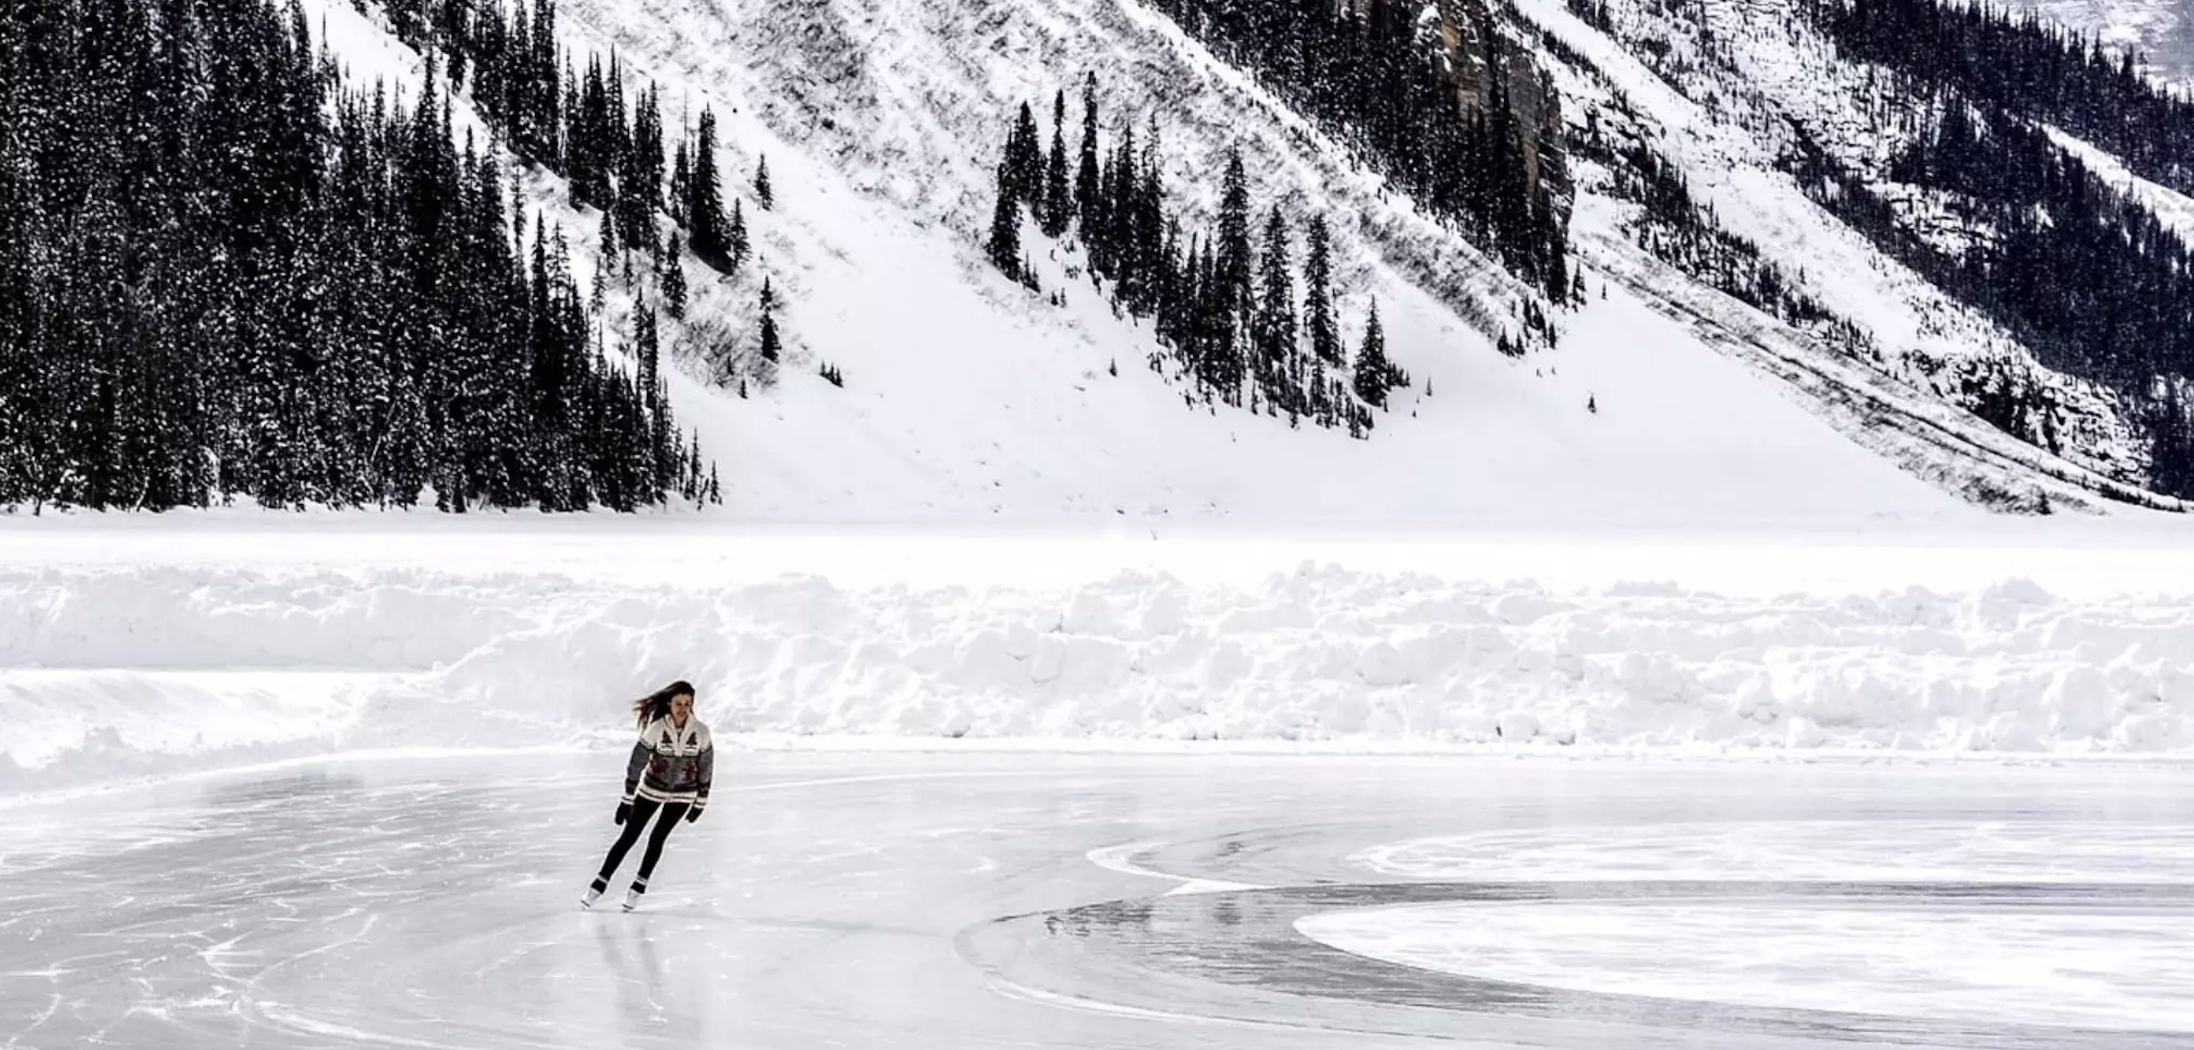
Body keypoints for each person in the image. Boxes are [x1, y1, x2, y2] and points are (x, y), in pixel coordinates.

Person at [583, 680, 713, 911]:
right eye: (678, 703)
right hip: (651, 790)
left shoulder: (701, 732)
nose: (683, 708)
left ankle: (637, 890)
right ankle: (597, 886)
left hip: (683, 795)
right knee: (629, 836)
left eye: (687, 703)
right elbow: (637, 762)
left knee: (657, 839)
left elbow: (706, 767)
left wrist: (700, 801)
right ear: (669, 703)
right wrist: (627, 798)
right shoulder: (657, 728)